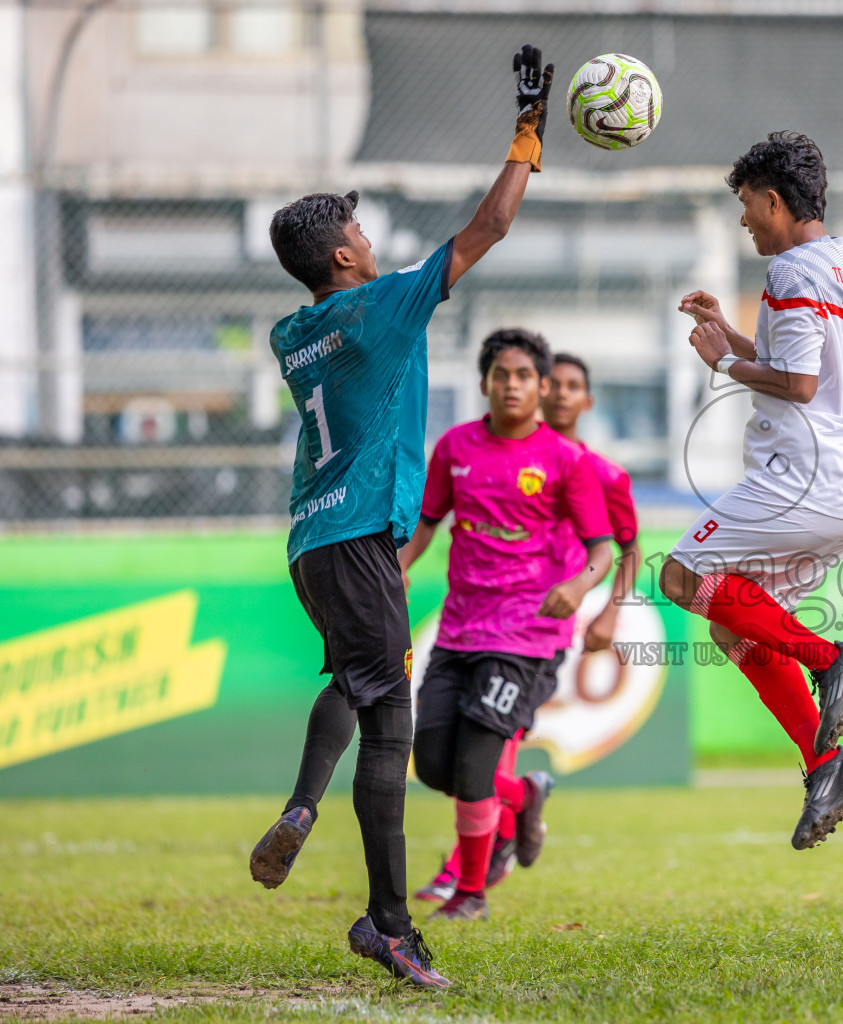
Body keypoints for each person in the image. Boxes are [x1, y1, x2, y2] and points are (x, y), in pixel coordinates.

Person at [245, 43, 555, 990]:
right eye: (359, 231)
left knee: (364, 687)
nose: (371, 239)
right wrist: (530, 130)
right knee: (387, 720)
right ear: (343, 256)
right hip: (360, 541)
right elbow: (490, 224)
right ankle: (379, 913)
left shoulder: (292, 331)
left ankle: (324, 837)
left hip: (310, 541)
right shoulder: (382, 305)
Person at [658, 131, 843, 851]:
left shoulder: (790, 270)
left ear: (772, 199)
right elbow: (801, 364)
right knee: (734, 625)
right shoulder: (837, 266)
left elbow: (796, 384)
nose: (744, 223)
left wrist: (724, 363)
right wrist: (729, 335)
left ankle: (831, 659)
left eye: (746, 207)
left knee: (678, 574)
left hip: (806, 482)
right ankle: (827, 764)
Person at [398, 329, 614, 923]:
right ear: (485, 383)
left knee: (473, 768)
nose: (511, 385)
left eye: (523, 376)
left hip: (527, 637)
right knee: (436, 763)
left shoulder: (566, 460)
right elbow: (427, 521)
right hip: (459, 630)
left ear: (540, 387)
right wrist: (399, 568)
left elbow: (602, 549)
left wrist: (576, 587)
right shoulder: (454, 448)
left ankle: (470, 894)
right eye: (501, 374)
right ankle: (526, 796)